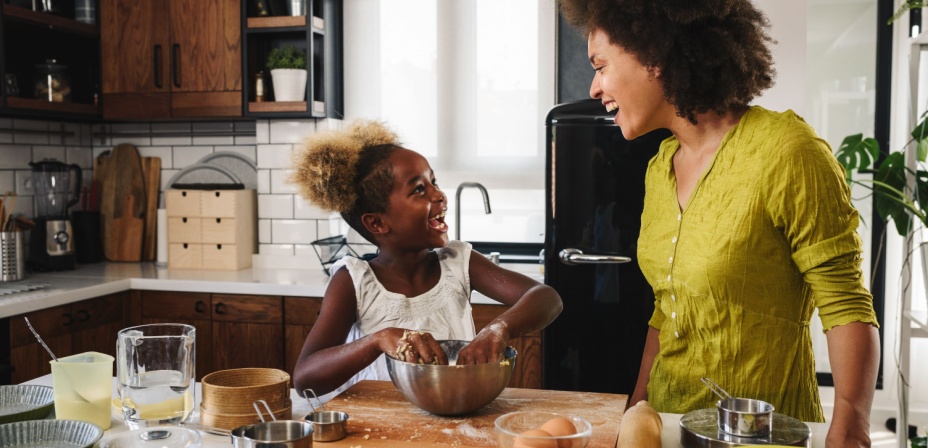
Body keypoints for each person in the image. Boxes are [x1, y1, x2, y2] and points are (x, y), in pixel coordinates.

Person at [559, 1, 880, 446]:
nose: (594, 87)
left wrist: (851, 422)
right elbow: (666, 310)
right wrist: (637, 408)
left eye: (601, 66)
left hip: (764, 435)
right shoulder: (660, 167)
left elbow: (846, 304)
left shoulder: (786, 151)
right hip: (669, 428)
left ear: (655, 55)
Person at [288, 119, 563, 400]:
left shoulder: (459, 263)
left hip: (454, 419)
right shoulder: (354, 281)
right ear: (377, 223)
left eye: (433, 181)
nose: (439, 194)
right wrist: (377, 340)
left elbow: (546, 297)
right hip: (377, 429)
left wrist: (498, 328)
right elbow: (306, 379)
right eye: (419, 189)